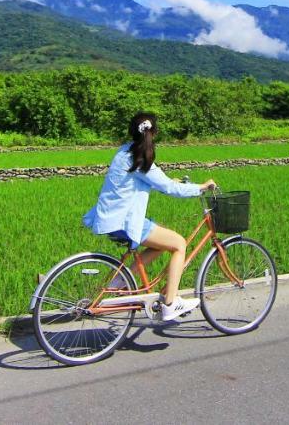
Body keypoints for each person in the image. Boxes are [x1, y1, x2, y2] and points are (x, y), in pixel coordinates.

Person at [82, 112, 216, 322]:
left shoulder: (124, 151)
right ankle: (170, 304)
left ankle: (120, 281)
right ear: (153, 133)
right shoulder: (140, 158)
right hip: (124, 220)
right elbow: (169, 188)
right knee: (179, 243)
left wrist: (166, 181)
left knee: (159, 244)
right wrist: (200, 187)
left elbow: (147, 180)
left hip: (112, 217)